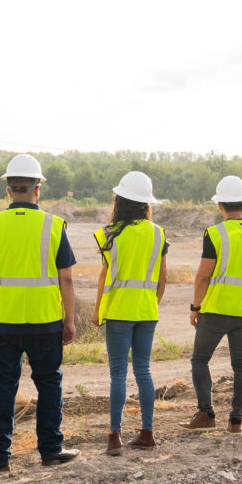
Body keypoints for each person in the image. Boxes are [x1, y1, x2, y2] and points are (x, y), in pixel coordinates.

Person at [0, 153, 79, 473]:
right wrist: (69, 320)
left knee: (4, 386)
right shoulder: (54, 225)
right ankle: (50, 450)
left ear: (8, 189)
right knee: (49, 384)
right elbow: (67, 278)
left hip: (2, 320)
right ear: (37, 188)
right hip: (45, 320)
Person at [183, 175, 242, 433]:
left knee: (200, 360)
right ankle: (236, 421)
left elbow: (203, 276)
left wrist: (195, 306)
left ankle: (206, 415)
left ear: (220, 205)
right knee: (241, 365)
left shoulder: (215, 234)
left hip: (215, 311)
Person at [93, 171, 168, 456]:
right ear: (146, 203)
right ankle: (147, 434)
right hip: (147, 310)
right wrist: (152, 302)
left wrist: (99, 310)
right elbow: (163, 278)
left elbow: (104, 275)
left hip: (118, 311)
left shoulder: (109, 233)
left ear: (120, 200)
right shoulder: (158, 233)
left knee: (118, 374)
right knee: (143, 370)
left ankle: (115, 437)